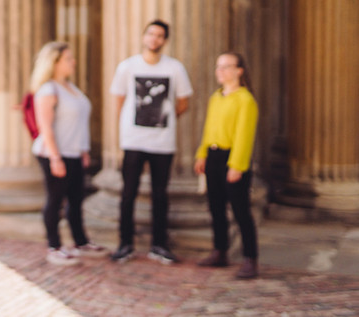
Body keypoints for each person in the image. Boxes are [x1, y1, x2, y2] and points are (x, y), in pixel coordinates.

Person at [109, 20, 193, 264]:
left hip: (162, 142)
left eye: (159, 35)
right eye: (151, 34)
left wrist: (164, 119)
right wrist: (128, 125)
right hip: (133, 141)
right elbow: (118, 100)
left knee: (160, 194)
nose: (154, 39)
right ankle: (125, 244)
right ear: (144, 37)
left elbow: (183, 102)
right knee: (128, 193)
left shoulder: (175, 68)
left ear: (165, 40)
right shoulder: (127, 66)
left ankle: (159, 245)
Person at [29, 41, 108, 266]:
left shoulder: (71, 88)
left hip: (73, 152)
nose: (73, 62)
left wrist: (83, 150)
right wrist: (55, 158)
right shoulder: (48, 90)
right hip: (53, 154)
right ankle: (54, 246)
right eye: (68, 59)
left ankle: (80, 242)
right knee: (55, 200)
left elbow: (79, 123)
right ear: (54, 62)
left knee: (76, 199)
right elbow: (46, 128)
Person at [194, 52, 259, 279]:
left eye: (225, 66)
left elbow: (244, 135)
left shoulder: (245, 99)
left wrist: (237, 166)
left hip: (233, 159)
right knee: (215, 208)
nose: (220, 71)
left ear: (239, 70)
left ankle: (250, 258)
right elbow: (209, 128)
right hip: (213, 156)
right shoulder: (216, 96)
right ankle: (220, 251)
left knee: (241, 210)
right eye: (218, 66)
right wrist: (201, 154)